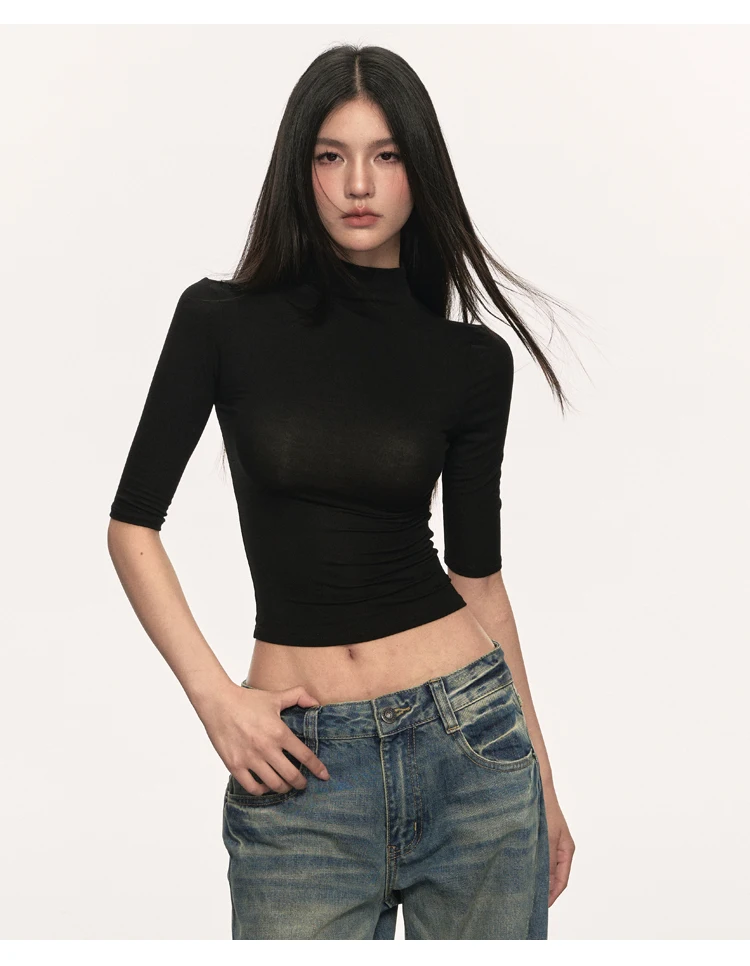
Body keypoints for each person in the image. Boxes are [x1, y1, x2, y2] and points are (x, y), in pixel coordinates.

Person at [108, 43, 576, 940]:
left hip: (471, 749)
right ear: (301, 169)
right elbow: (132, 528)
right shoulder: (219, 322)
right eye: (332, 155)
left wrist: (544, 786)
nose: (358, 183)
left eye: (386, 155)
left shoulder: (472, 363)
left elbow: (479, 584)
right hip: (300, 769)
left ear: (419, 172)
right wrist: (216, 702)